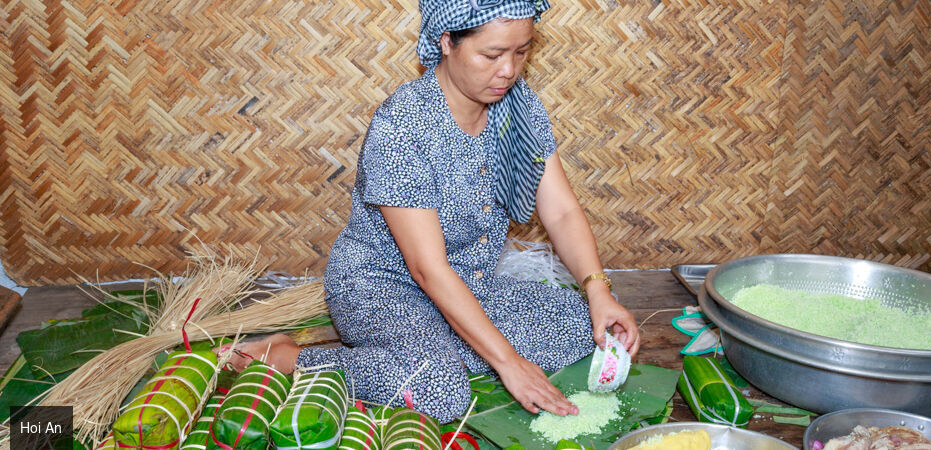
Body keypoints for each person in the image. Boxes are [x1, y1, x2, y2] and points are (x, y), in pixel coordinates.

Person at [217, 0, 640, 423]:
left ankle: (434, 347)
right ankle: (291, 358)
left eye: (521, 51)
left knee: (587, 323)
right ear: (447, 42)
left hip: (470, 287)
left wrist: (598, 290)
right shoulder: (402, 127)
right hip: (382, 288)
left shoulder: (519, 108)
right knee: (440, 392)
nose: (509, 70)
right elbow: (427, 269)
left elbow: (561, 211)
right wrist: (509, 362)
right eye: (492, 54)